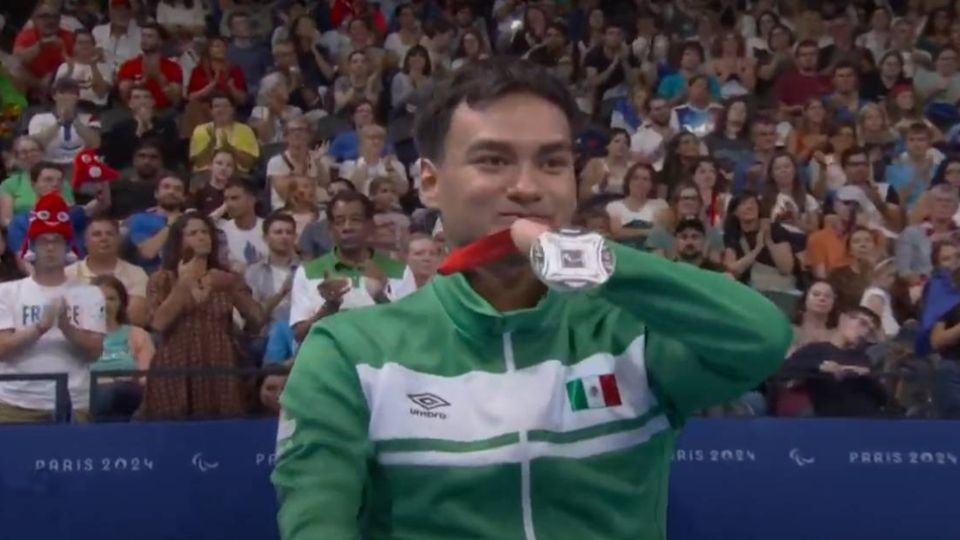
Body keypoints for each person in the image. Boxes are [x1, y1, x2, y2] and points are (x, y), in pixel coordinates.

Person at [273, 57, 790, 539]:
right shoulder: (348, 351)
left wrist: (590, 259)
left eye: (551, 163)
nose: (526, 187)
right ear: (430, 183)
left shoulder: (631, 333)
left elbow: (761, 338)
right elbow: (318, 521)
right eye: (493, 160)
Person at [140, 212, 264, 420]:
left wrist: (232, 288)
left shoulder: (226, 279)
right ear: (179, 241)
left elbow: (257, 321)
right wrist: (184, 285)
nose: (201, 237)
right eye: (193, 233)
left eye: (205, 232)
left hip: (219, 362)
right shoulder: (163, 278)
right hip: (176, 364)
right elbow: (157, 323)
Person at [0, 192, 105, 423]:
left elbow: (95, 352)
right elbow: (2, 350)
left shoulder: (90, 293)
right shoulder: (6, 292)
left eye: (56, 241)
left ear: (67, 247)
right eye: (43, 241)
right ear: (32, 247)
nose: (50, 247)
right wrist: (39, 327)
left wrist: (68, 328)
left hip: (72, 401)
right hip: (14, 403)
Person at [287, 190, 417, 343]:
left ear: (371, 226)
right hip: (330, 361)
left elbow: (409, 332)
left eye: (355, 220)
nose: (347, 227)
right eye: (339, 221)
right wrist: (330, 306)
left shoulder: (399, 271)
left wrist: (379, 296)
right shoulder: (308, 272)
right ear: (330, 230)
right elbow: (299, 336)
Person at [782, 306, 886, 417]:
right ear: (843, 319)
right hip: (831, 417)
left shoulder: (863, 358)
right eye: (862, 323)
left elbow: (883, 398)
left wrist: (866, 377)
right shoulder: (816, 350)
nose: (865, 332)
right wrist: (820, 367)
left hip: (869, 419)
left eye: (870, 330)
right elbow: (785, 370)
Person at [88, 274, 154, 421]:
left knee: (111, 392)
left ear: (121, 303)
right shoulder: (79, 337)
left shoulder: (138, 335)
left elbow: (147, 378)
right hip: (89, 395)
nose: (105, 304)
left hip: (128, 393)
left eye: (111, 299)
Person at [66, 216, 149, 327]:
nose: (104, 238)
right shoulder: (67, 274)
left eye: (109, 234)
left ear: (119, 240)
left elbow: (136, 317)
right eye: (97, 234)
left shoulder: (137, 274)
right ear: (85, 242)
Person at [219, 178, 267, 273]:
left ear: (252, 199)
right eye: (226, 199)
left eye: (235, 198)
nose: (229, 204)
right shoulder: (222, 232)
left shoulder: (270, 229)